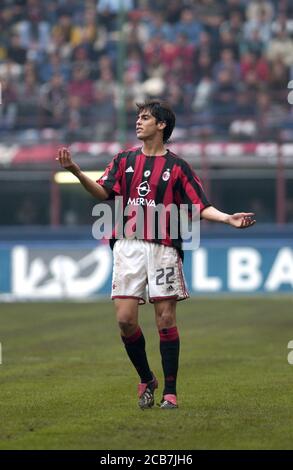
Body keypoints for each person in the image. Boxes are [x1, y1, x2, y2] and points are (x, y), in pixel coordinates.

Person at [56, 99, 255, 410]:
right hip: (127, 246)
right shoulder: (123, 160)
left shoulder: (178, 167)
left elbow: (200, 206)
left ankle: (171, 393)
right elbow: (103, 192)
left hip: (163, 248)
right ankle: (147, 378)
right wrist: (76, 171)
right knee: (124, 321)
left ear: (161, 125)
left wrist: (228, 218)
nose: (139, 122)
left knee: (165, 318)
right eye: (138, 117)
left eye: (145, 118)